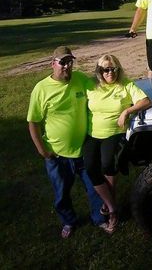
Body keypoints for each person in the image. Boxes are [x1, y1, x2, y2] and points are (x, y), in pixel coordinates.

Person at [27, 46, 106, 238]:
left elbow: (100, 91)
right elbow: (33, 123)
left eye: (70, 62)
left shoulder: (80, 79)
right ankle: (69, 221)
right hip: (58, 155)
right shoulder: (41, 89)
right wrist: (43, 152)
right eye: (62, 62)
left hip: (84, 150)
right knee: (61, 194)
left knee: (95, 188)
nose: (67, 67)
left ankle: (99, 219)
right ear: (52, 64)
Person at [83, 55, 152, 234]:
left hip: (114, 132)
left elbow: (146, 101)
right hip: (93, 134)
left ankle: (111, 212)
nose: (110, 73)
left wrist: (127, 111)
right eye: (106, 69)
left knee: (107, 164)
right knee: (90, 167)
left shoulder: (126, 84)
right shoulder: (90, 85)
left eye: (114, 69)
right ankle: (111, 206)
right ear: (99, 71)